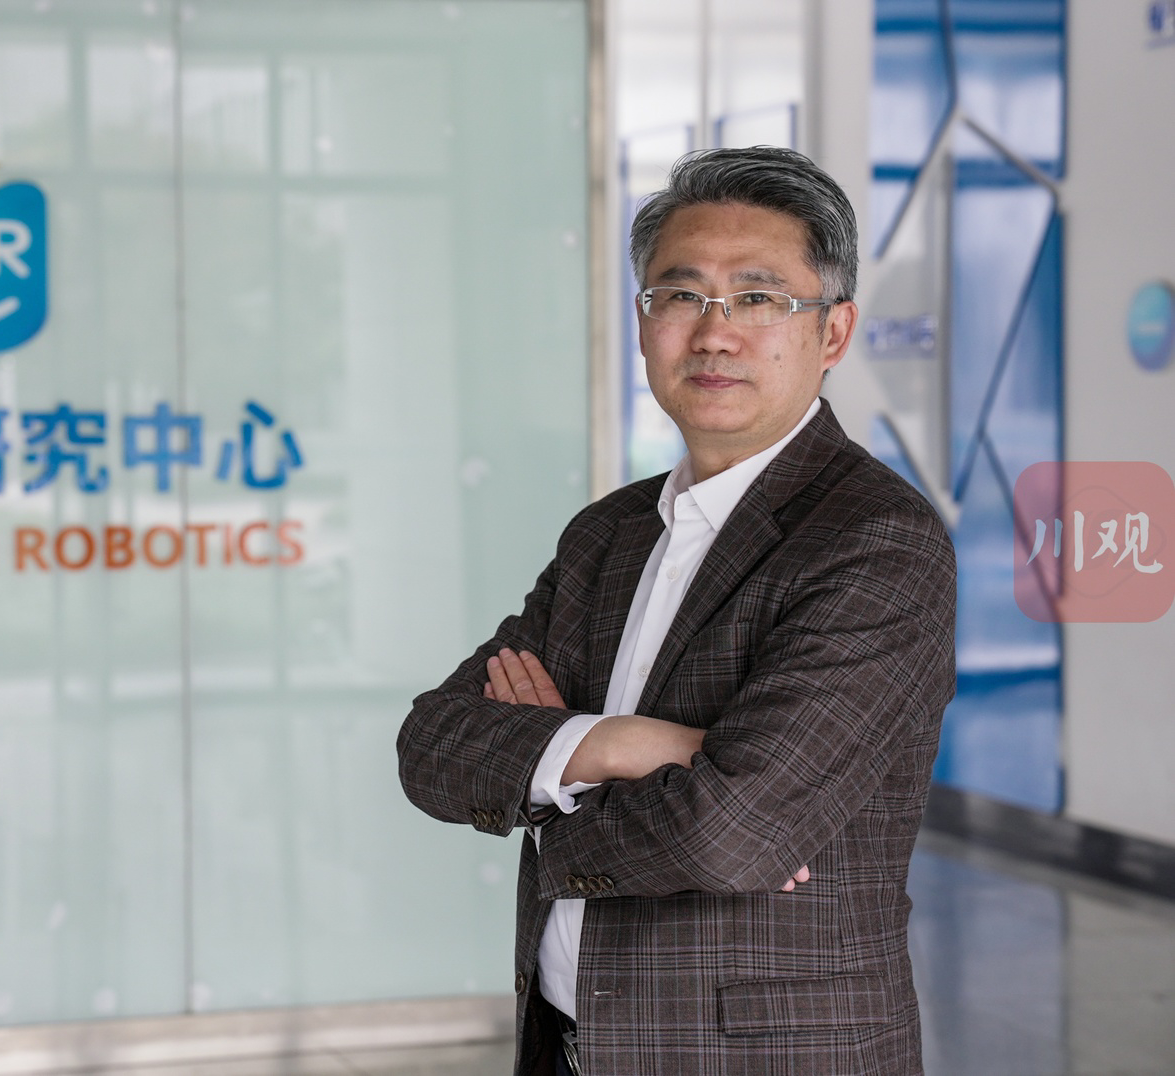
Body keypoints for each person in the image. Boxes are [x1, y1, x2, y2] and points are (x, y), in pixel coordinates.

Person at [396, 146, 956, 1075]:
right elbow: (431, 746)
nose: (714, 333)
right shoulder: (609, 534)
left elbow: (731, 832)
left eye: (759, 297)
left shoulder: (875, 541)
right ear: (643, 320)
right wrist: (618, 745)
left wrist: (547, 777)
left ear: (834, 331)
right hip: (566, 1044)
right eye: (681, 295)